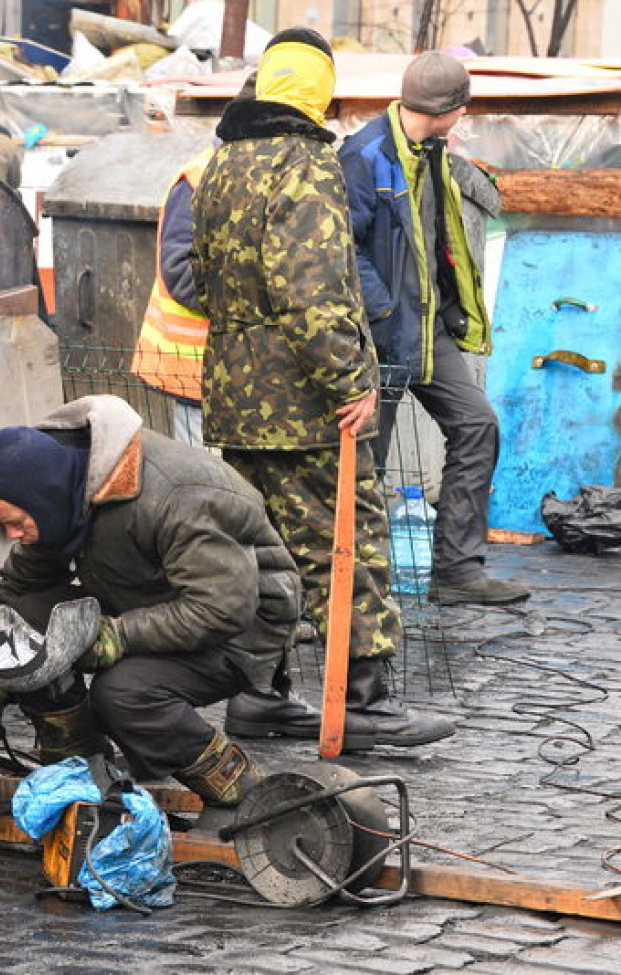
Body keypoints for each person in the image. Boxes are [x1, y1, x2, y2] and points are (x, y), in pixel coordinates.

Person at [189, 27, 455, 748]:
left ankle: (259, 694)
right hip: (303, 403)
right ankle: (364, 701)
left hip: (236, 399)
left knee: (259, 551)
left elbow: (202, 279)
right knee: (349, 544)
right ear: (318, 93)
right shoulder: (305, 167)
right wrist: (349, 379)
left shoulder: (221, 165)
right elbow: (310, 293)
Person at [0, 393, 322, 806]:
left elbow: (221, 608)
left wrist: (118, 636)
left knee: (125, 692)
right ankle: (82, 769)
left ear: (42, 499)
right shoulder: (61, 491)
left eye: (15, 523)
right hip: (144, 596)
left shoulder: (181, 495)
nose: (11, 535)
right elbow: (19, 590)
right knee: (27, 623)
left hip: (241, 629)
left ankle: (240, 792)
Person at [339, 51, 529, 607]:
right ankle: (355, 593)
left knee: (477, 425)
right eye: (464, 106)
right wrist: (382, 311)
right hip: (383, 337)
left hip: (427, 331)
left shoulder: (432, 153)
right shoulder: (364, 157)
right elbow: (342, 246)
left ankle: (458, 574)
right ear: (452, 108)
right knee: (366, 469)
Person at [132, 146, 214, 447]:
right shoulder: (199, 177)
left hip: (230, 369)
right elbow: (180, 272)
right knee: (207, 479)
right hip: (197, 368)